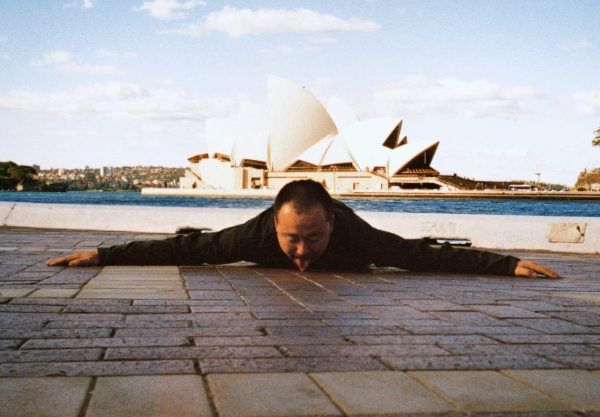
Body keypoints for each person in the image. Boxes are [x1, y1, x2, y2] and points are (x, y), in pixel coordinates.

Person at [47, 179, 560, 279]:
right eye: (290, 239)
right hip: (243, 229)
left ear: (331, 225)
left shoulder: (358, 237)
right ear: (275, 225)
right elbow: (190, 248)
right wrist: (104, 253)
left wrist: (507, 263)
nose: (299, 252)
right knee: (202, 240)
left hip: (360, 230)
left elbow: (425, 256)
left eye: (312, 239)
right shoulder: (253, 236)